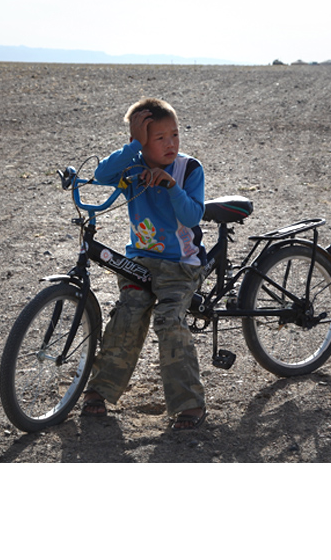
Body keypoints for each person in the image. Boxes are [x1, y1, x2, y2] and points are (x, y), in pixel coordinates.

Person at [81, 97, 208, 431]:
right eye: (159, 138)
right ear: (141, 141)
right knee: (127, 313)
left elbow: (193, 215)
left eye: (175, 135)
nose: (170, 144)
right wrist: (132, 145)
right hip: (142, 262)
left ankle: (189, 405)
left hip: (182, 265)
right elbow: (100, 174)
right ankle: (99, 389)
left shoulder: (188, 169)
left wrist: (169, 185)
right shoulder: (132, 167)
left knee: (169, 320)